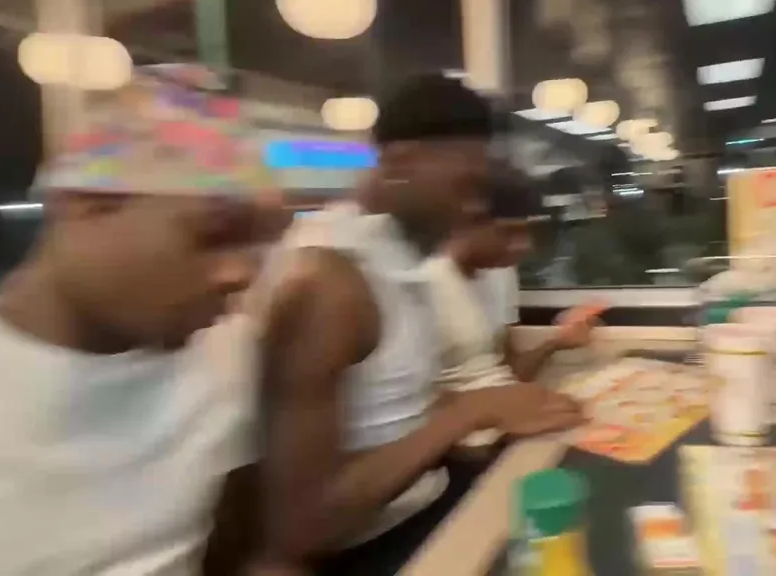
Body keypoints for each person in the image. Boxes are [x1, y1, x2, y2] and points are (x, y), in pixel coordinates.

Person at [0, 65, 281, 576]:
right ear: (88, 204)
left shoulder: (227, 358)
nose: (242, 273)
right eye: (214, 235)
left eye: (257, 246)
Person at [248, 75, 584, 576]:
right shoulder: (329, 282)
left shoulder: (406, 259)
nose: (476, 209)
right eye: (466, 187)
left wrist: (495, 402)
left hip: (435, 500)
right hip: (379, 546)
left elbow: (400, 408)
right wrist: (469, 411)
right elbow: (301, 526)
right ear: (400, 163)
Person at [437, 161, 605, 386]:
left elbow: (510, 372)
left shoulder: (500, 274)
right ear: (465, 224)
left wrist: (556, 343)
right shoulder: (423, 284)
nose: (524, 246)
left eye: (527, 232)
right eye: (508, 232)